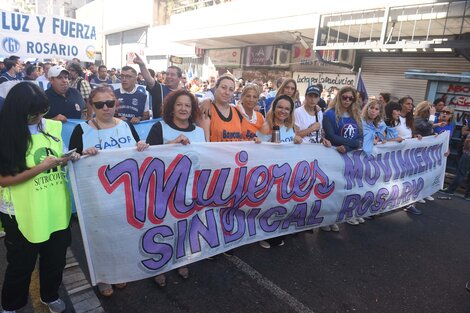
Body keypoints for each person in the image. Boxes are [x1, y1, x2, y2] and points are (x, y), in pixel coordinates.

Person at [0, 82, 80, 313]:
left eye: (42, 112)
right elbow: (4, 179)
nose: (38, 118)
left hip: (55, 206)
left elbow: (58, 153)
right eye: (32, 114)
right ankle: (10, 305)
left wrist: (67, 158)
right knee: (21, 264)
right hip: (21, 212)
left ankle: (50, 295)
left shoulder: (52, 126)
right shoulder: (6, 132)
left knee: (55, 260)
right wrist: (41, 167)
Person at [69, 85, 149, 296]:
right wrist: (81, 154)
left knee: (122, 234)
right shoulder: (82, 130)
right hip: (96, 197)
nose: (106, 108)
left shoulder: (124, 126)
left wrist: (141, 146)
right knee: (100, 237)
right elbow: (71, 159)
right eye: (100, 104)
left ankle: (119, 272)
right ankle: (104, 276)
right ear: (91, 106)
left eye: (110, 103)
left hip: (125, 194)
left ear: (116, 103)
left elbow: (137, 152)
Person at [146, 89, 205, 286]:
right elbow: (148, 158)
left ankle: (180, 260)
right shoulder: (159, 128)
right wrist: (172, 144)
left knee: (183, 227)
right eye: (179, 104)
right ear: (171, 107)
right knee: (161, 228)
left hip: (189, 189)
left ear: (193, 109)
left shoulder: (199, 132)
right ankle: (159, 265)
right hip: (162, 189)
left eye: (188, 105)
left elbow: (205, 160)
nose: (183, 108)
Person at [255, 95, 301, 248]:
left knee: (282, 204)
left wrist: (298, 140)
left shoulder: (290, 127)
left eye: (287, 108)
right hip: (269, 174)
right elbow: (256, 149)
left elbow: (294, 144)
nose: (283, 111)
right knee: (268, 206)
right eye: (280, 107)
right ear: (274, 108)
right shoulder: (266, 126)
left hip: (287, 175)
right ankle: (264, 235)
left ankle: (278, 232)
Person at [322, 86, 363, 231]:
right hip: (333, 156)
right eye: (344, 97)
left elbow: (360, 140)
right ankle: (325, 220)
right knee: (331, 189)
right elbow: (331, 136)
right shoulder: (329, 115)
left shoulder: (356, 116)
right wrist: (351, 144)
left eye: (350, 98)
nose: (347, 101)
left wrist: (348, 148)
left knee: (343, 190)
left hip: (349, 158)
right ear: (339, 97)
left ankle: (335, 218)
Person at [396, 96, 423, 214]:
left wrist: (415, 136)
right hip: (395, 153)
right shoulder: (395, 117)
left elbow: (409, 134)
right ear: (401, 104)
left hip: (407, 154)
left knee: (409, 178)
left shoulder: (410, 119)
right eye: (407, 104)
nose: (410, 106)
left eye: (411, 104)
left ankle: (408, 203)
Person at [134, 54, 182, 118]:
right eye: (167, 74)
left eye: (172, 75)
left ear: (179, 78)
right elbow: (149, 79)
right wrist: (142, 65)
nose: (169, 77)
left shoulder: (185, 93)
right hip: (161, 126)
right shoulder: (159, 89)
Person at [199, 74, 244, 142]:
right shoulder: (207, 110)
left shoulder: (238, 111)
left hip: (235, 152)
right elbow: (206, 144)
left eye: (231, 90)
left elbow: (242, 139)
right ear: (216, 88)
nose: (227, 92)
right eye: (223, 87)